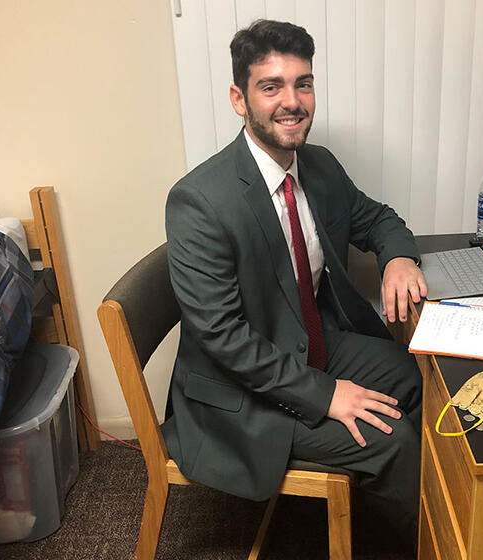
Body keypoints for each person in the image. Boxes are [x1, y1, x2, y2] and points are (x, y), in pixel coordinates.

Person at [164, 19, 427, 539]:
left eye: (302, 83)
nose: (292, 100)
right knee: (391, 437)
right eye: (271, 86)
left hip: (309, 342)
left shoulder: (319, 166)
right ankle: (429, 539)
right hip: (239, 392)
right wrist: (325, 395)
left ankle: (405, 508)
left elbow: (377, 219)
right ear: (240, 99)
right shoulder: (199, 202)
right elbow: (223, 339)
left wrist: (400, 259)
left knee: (413, 375)